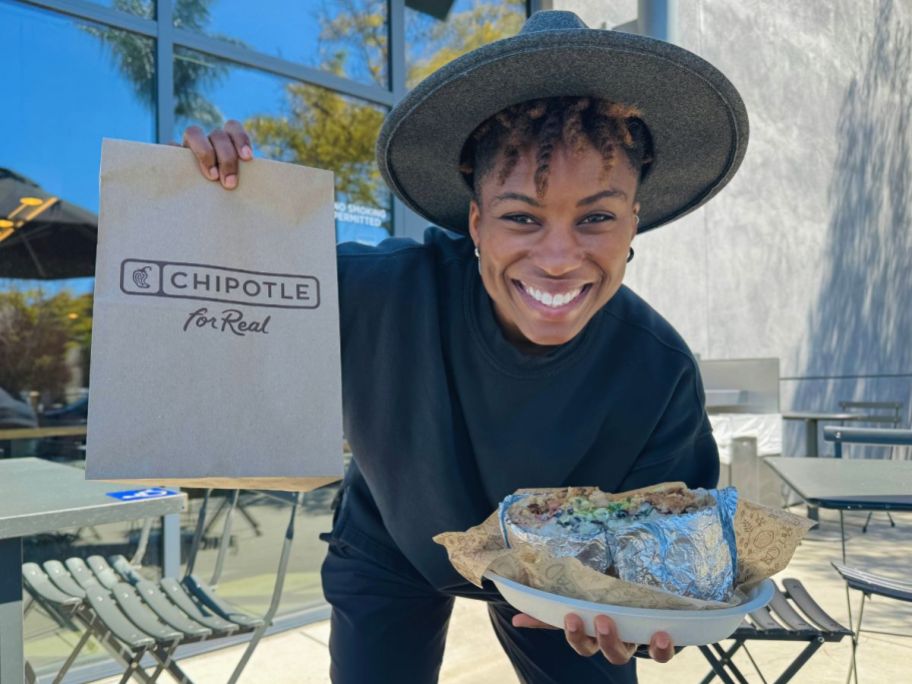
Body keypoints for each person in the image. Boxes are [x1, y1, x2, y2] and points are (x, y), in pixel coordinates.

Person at [179, 10, 748, 683]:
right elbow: (232, 295)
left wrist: (651, 617)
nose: (560, 258)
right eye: (521, 218)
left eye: (595, 216)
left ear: (633, 223)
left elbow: (674, 566)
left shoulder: (658, 374)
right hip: (392, 539)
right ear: (475, 222)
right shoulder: (381, 293)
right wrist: (210, 202)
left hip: (559, 577)